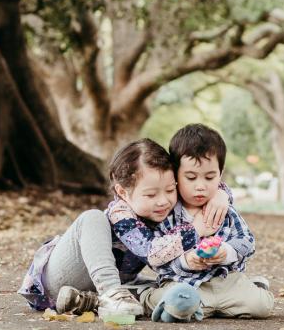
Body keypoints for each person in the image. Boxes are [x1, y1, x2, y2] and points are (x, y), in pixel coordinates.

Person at [17, 138, 228, 317]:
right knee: (92, 217)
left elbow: (195, 187)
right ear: (123, 192)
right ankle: (110, 294)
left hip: (110, 287)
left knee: (160, 288)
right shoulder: (121, 213)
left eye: (170, 189)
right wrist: (195, 229)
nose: (163, 201)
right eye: (151, 195)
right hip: (61, 276)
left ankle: (88, 302)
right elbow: (153, 253)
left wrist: (221, 194)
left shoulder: (162, 208)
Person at [108, 124, 274, 319]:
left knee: (261, 305)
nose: (201, 187)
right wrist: (188, 254)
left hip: (222, 280)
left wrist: (227, 250)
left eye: (210, 177)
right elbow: (155, 256)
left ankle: (246, 290)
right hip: (172, 282)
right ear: (176, 175)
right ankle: (147, 296)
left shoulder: (218, 206)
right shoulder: (147, 213)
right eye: (191, 177)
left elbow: (246, 239)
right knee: (178, 299)